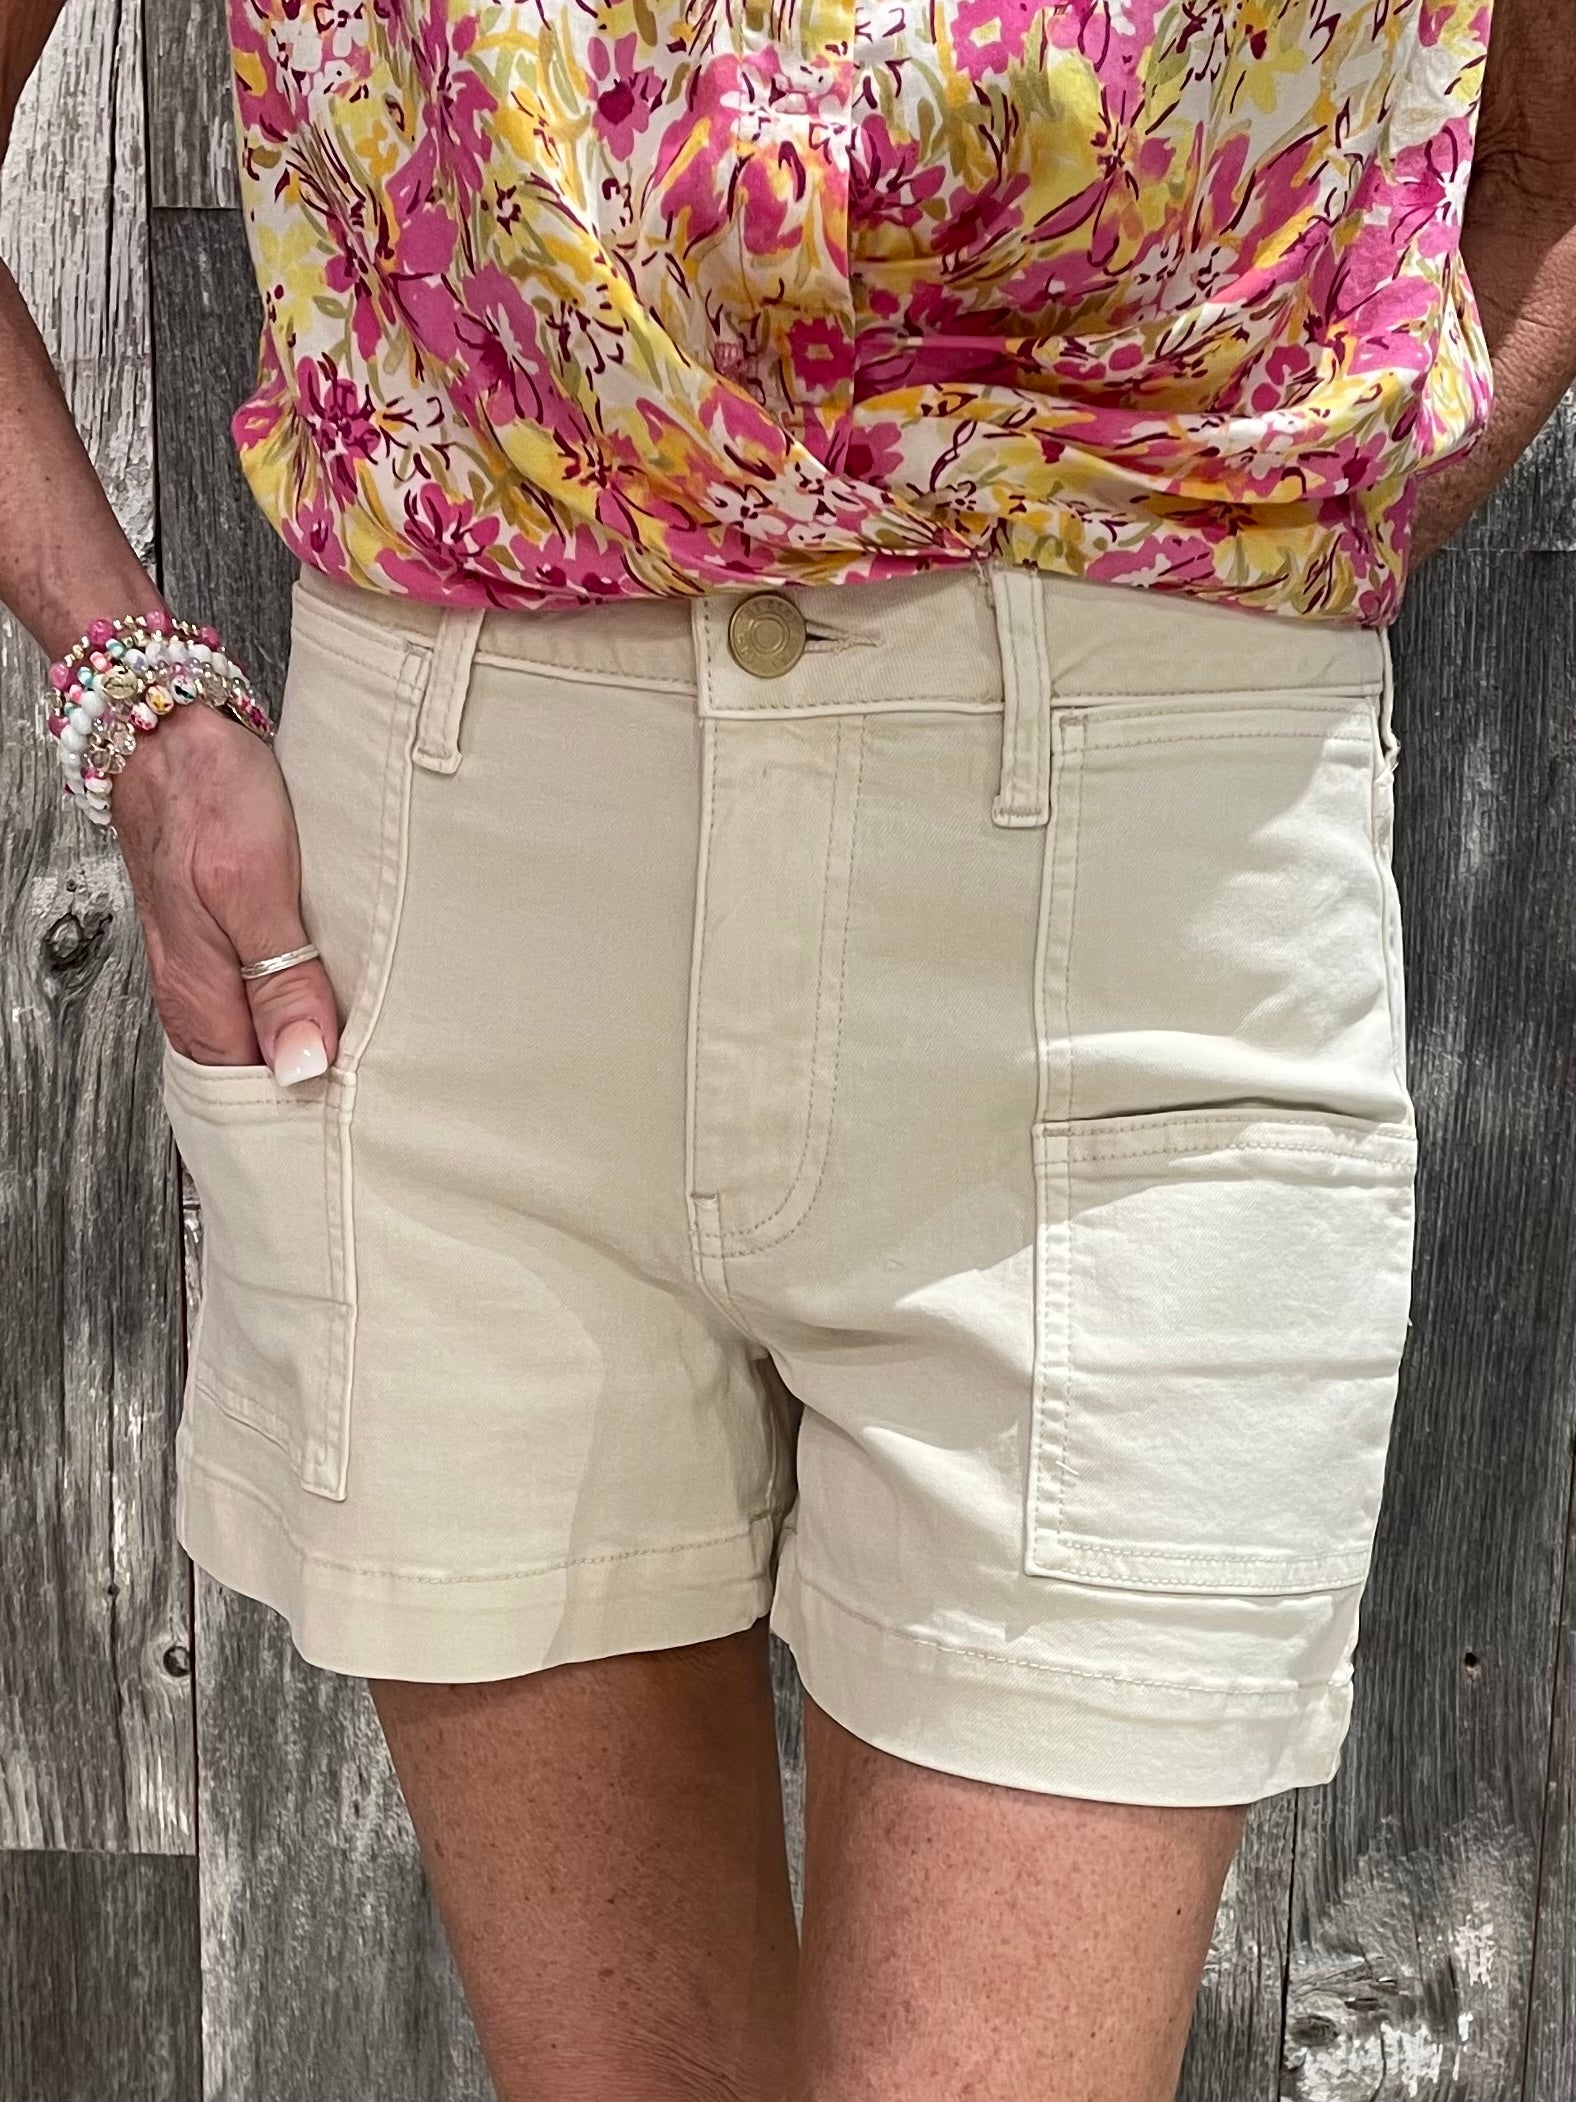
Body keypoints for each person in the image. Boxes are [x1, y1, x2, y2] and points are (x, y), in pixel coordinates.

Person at [4, 0, 1574, 2094]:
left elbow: (1547, 162)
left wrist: (1246, 586)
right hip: (467, 886)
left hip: (1135, 910)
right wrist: (131, 684)